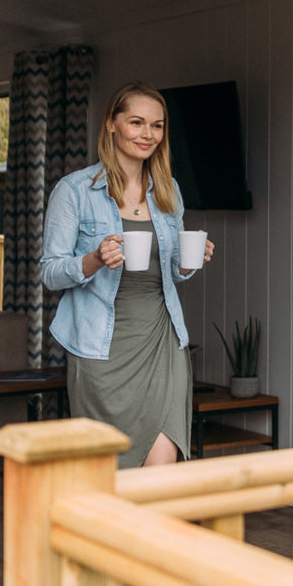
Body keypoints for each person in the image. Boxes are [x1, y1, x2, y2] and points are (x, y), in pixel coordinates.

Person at [41, 82, 214, 468]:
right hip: (100, 349)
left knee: (162, 463)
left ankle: (151, 530)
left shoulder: (169, 191)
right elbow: (50, 273)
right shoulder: (75, 190)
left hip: (161, 340)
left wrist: (190, 262)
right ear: (111, 125)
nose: (147, 134)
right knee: (107, 470)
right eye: (136, 122)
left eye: (157, 125)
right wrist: (94, 260)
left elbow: (173, 273)